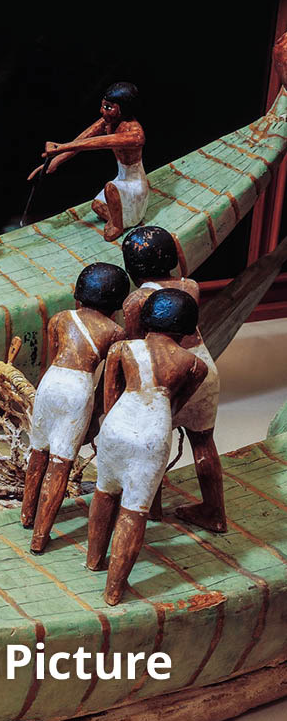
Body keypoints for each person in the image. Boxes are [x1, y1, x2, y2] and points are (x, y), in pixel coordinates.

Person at [87, 289, 208, 606]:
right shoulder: (195, 365)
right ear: (187, 327)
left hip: (117, 424)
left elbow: (109, 399)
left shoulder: (122, 348)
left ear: (147, 318)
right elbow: (176, 405)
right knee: (134, 511)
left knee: (104, 491)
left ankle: (94, 559)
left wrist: (109, 427)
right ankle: (114, 591)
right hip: (153, 430)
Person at [121, 226, 225, 533]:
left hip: (167, 374)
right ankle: (214, 511)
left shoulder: (136, 300)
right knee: (203, 441)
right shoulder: (190, 285)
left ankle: (149, 508)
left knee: (152, 441)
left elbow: (136, 348)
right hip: (203, 366)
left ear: (131, 267)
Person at [23, 263, 129, 552]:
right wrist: (99, 416)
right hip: (78, 390)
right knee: (61, 463)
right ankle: (39, 538)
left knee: (38, 451)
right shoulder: (115, 332)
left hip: (50, 384)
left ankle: (27, 514)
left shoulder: (60, 319)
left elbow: (49, 360)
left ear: (79, 294)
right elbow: (108, 384)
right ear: (116, 303)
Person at [29, 82, 146, 242]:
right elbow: (81, 141)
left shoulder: (135, 134)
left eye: (108, 107)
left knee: (110, 188)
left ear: (122, 109)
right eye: (103, 106)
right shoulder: (109, 122)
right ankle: (123, 219)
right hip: (122, 178)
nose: (102, 111)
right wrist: (54, 162)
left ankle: (118, 226)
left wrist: (62, 147)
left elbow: (98, 143)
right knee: (97, 205)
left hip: (135, 184)